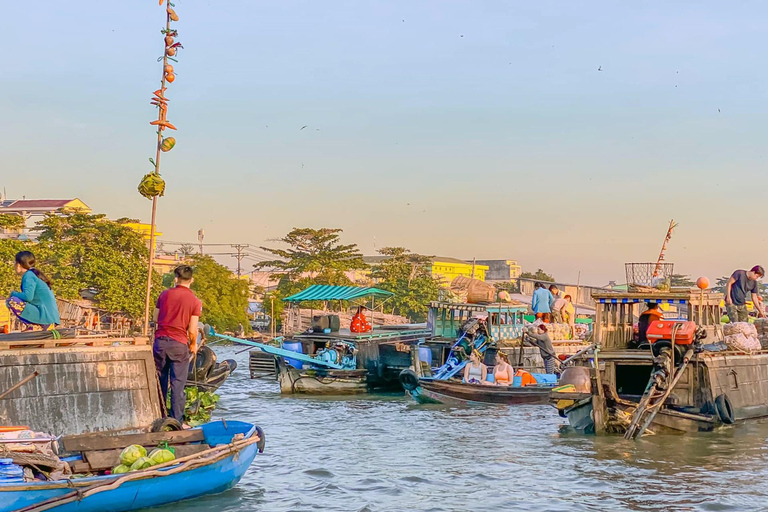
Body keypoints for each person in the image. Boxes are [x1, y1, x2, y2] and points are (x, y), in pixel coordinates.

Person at [153, 265, 202, 423]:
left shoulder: (164, 295)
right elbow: (192, 330)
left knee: (160, 381)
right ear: (192, 280)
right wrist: (193, 344)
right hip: (179, 344)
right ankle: (175, 422)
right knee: (177, 384)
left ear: (176, 279)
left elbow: (155, 318)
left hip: (160, 343)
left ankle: (159, 417)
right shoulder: (195, 301)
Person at [6, 251, 60, 330]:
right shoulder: (34, 273)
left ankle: (37, 325)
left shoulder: (29, 275)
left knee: (12, 301)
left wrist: (13, 293)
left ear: (18, 265)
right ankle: (36, 325)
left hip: (45, 316)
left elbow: (28, 297)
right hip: (50, 316)